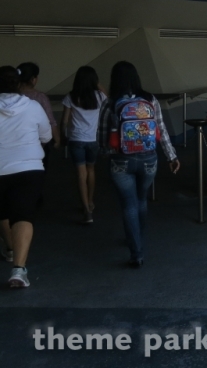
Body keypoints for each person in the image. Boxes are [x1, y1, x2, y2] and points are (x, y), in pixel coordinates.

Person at [98, 61, 179, 267]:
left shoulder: (110, 102)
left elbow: (102, 134)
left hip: (121, 160)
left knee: (128, 205)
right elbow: (161, 129)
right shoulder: (150, 99)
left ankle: (136, 253)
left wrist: (105, 152)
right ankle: (138, 238)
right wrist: (171, 156)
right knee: (141, 200)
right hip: (149, 159)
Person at [0, 65, 52, 287]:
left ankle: (11, 249)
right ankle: (19, 270)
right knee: (23, 216)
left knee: (3, 212)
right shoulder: (33, 106)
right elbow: (46, 136)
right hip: (29, 168)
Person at [61, 66, 106, 224]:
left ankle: (86, 209)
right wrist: (98, 85)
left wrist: (63, 136)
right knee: (91, 170)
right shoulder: (99, 96)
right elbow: (109, 99)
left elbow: (64, 121)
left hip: (76, 139)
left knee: (81, 174)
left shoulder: (71, 96)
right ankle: (91, 201)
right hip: (93, 140)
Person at [17, 62, 60, 162]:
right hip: (36, 144)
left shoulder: (12, 96)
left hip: (14, 142)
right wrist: (57, 139)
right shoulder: (40, 97)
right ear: (33, 79)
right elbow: (50, 121)